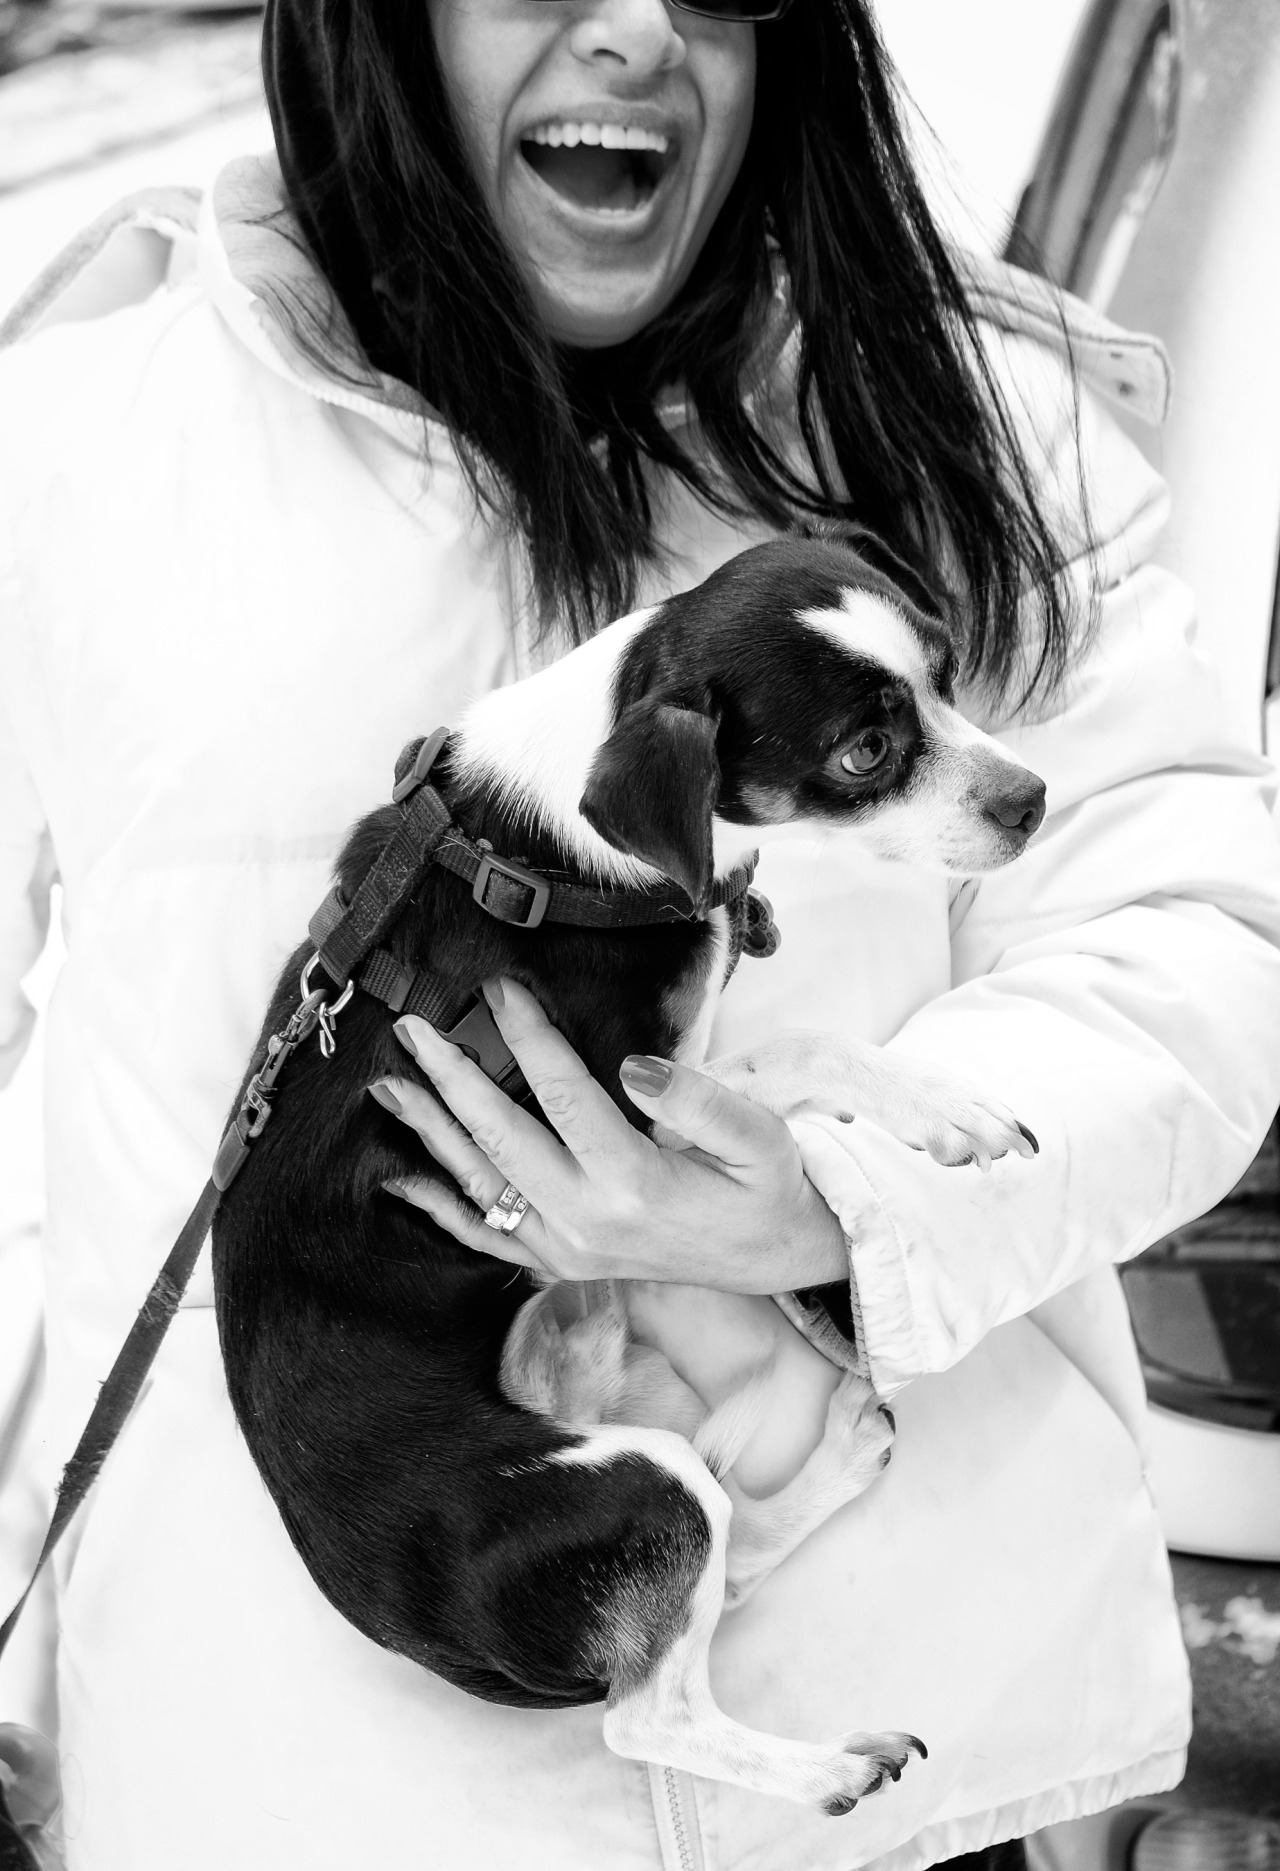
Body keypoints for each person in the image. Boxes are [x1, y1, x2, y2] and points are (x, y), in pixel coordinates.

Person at [1, 0, 1279, 1864]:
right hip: (296, 1802)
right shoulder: (83, 451)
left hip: (884, 1789)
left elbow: (1200, 937)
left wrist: (842, 1204)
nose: (636, 32)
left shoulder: (963, 425)